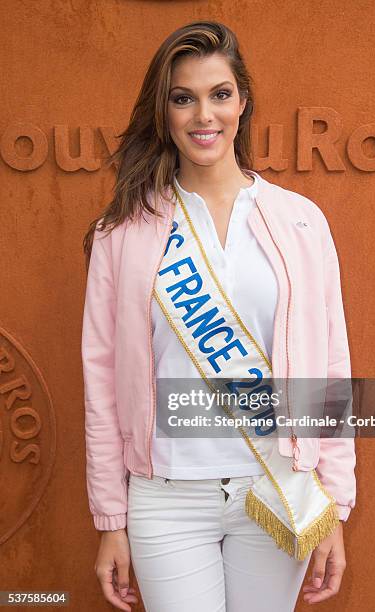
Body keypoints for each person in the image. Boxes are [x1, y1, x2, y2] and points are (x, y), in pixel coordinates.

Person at [81, 20, 356, 612]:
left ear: (242, 102)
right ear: (165, 111)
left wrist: (333, 502)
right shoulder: (123, 232)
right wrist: (111, 516)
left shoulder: (300, 221)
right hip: (166, 497)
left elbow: (331, 368)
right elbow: (102, 382)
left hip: (278, 485)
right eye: (184, 98)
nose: (204, 115)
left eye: (220, 94)